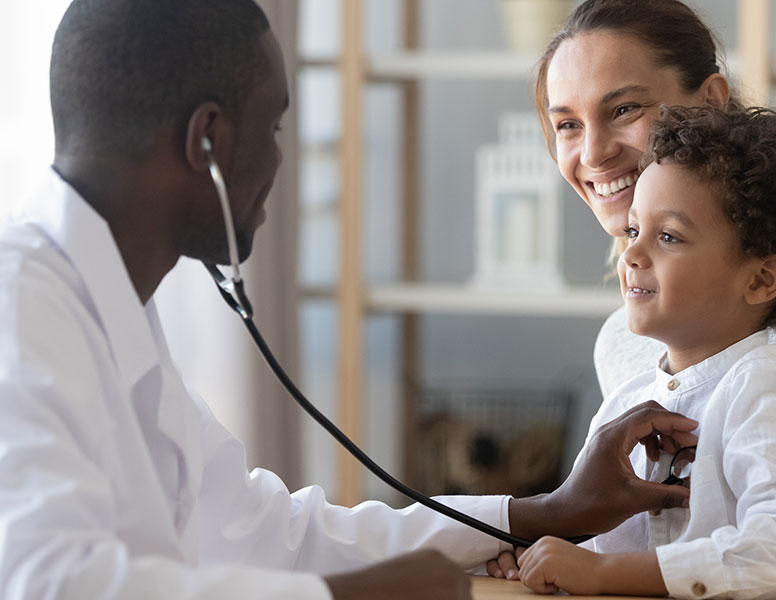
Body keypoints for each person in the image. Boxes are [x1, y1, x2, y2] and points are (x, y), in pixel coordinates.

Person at [0, 1, 702, 599]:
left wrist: (542, 511)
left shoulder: (107, 307)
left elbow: (265, 530)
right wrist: (347, 596)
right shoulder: (18, 304)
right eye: (274, 128)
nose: (282, 161)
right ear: (208, 142)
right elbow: (51, 581)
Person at [487, 0, 776, 589]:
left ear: (709, 101)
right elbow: (641, 545)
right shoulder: (630, 349)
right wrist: (544, 551)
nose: (594, 152)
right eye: (568, 124)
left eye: (624, 108)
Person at [518, 105, 776, 598]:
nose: (631, 254)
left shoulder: (772, 395)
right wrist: (542, 557)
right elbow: (594, 550)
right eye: (634, 230)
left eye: (668, 236)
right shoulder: (624, 406)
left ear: (760, 279)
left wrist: (599, 574)